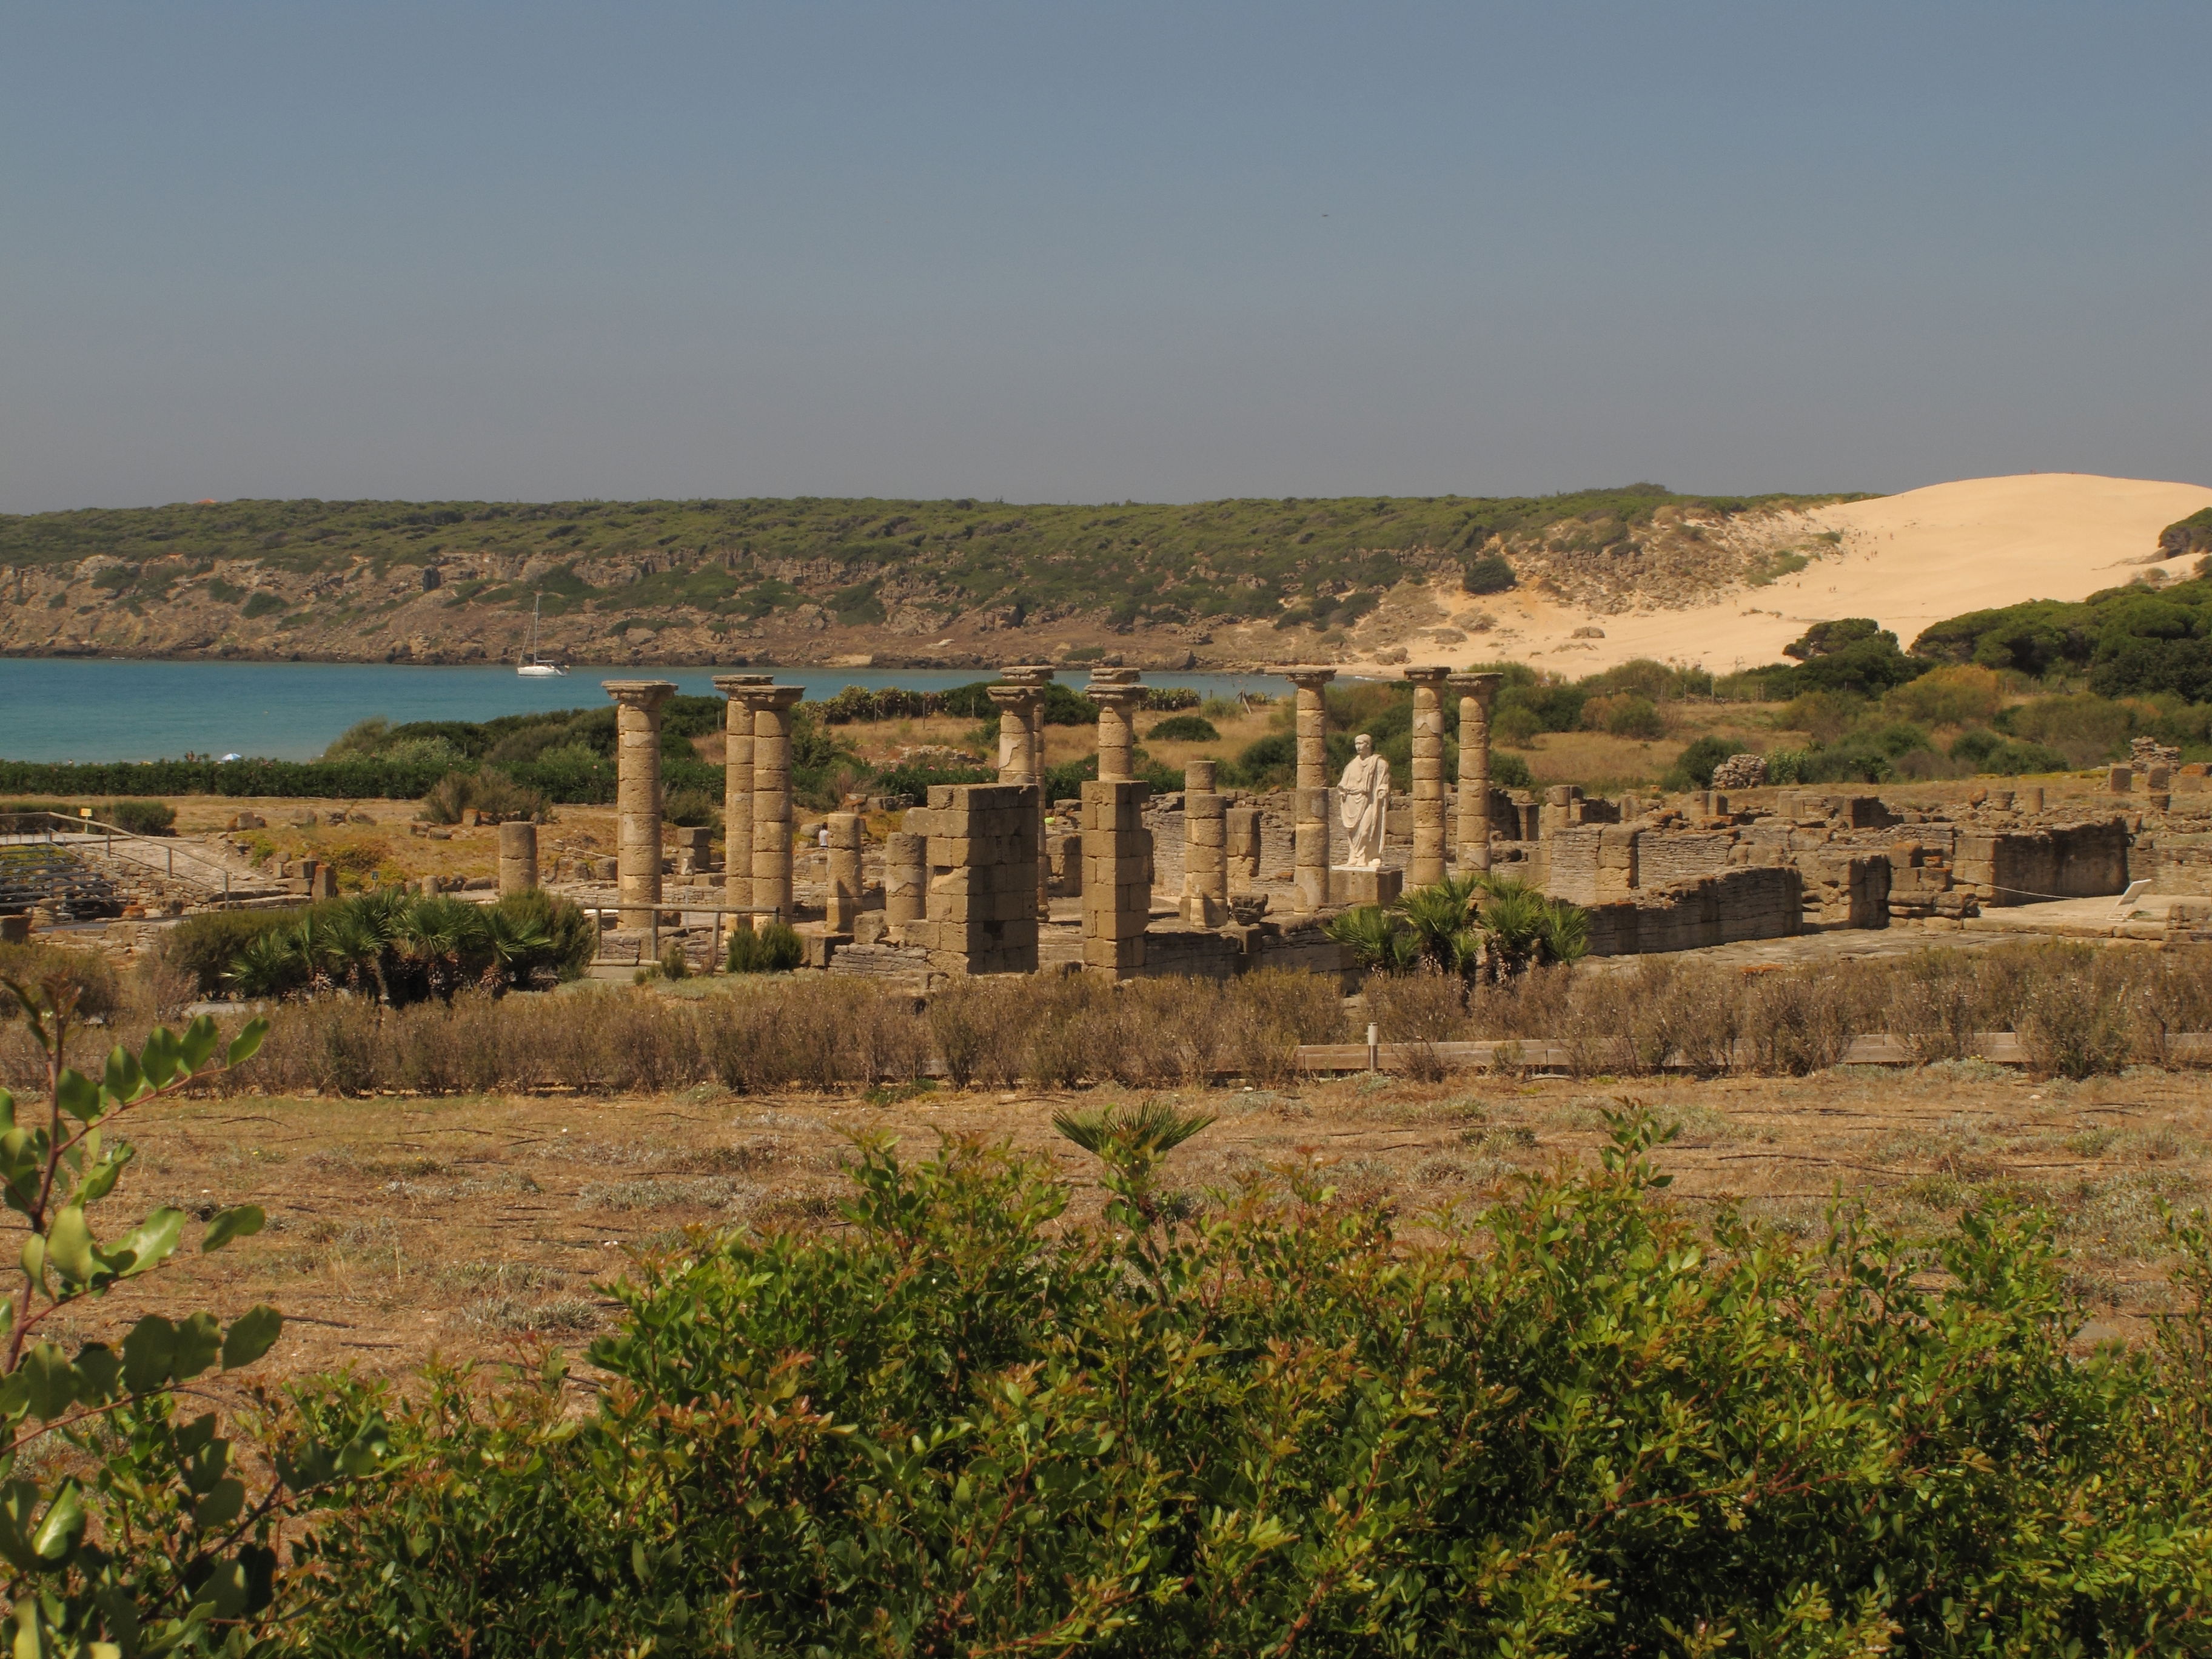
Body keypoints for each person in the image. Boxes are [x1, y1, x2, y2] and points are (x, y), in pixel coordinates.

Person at [1337, 733, 1391, 869]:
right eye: (1356, 744)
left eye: (1361, 743)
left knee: (1366, 830)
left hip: (1370, 801)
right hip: (1352, 802)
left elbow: (1384, 782)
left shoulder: (1379, 763)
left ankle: (1366, 856)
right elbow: (1343, 784)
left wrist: (1382, 791)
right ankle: (1354, 855)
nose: (1358, 747)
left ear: (1368, 744)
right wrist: (1343, 790)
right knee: (1353, 833)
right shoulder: (1351, 765)